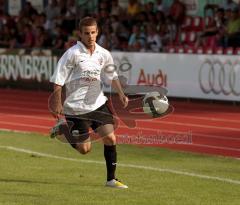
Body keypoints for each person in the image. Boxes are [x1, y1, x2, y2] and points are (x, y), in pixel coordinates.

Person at [50, 16, 129, 189]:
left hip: (98, 104)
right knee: (85, 149)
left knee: (110, 137)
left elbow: (111, 75)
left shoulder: (103, 54)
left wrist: (121, 94)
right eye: (86, 33)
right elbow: (58, 79)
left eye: (93, 32)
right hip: (76, 108)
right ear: (80, 34)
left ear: (97, 32)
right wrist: (56, 101)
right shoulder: (72, 54)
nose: (90, 36)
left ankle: (111, 180)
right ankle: (63, 128)